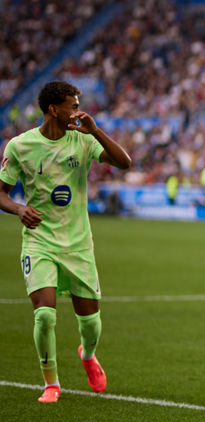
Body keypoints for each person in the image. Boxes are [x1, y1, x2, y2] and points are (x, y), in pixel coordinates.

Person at [0, 81, 132, 402]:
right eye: (73, 106)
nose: (78, 111)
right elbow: (1, 193)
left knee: (90, 324)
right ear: (53, 110)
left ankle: (87, 356)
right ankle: (51, 384)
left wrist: (96, 131)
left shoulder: (83, 141)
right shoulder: (20, 145)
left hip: (78, 244)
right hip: (39, 242)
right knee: (44, 315)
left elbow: (124, 162)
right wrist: (19, 208)